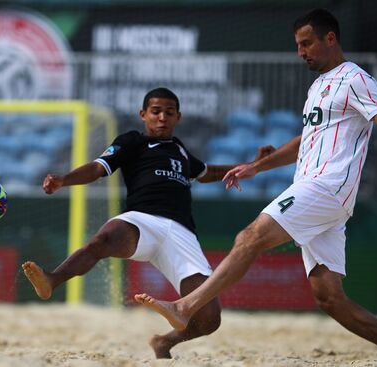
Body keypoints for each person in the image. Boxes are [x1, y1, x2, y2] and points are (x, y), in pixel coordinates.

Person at [135, 9, 377, 356]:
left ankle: (185, 307)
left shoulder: (355, 79)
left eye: (306, 44)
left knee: (249, 237)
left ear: (330, 38)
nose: (301, 52)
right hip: (323, 196)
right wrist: (258, 166)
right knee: (329, 297)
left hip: (325, 187)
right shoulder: (318, 85)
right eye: (297, 46)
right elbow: (305, 141)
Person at [22, 87, 267, 359]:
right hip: (141, 221)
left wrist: (253, 165)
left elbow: (209, 173)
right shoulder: (132, 141)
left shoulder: (181, 150)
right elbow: (97, 167)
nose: (162, 117)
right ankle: (52, 280)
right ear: (143, 115)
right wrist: (64, 179)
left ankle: (164, 343)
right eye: (156, 111)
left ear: (178, 117)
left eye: (169, 112)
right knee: (104, 239)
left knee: (210, 318)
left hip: (181, 233)